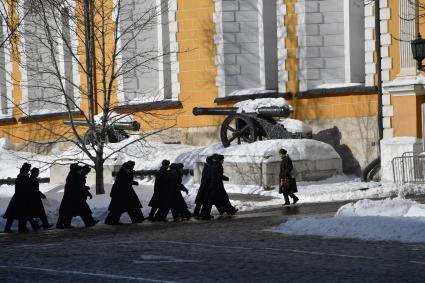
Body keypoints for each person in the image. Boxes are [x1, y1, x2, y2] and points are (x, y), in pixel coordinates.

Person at [3, 163, 40, 232]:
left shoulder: (23, 178)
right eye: (27, 171)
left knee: (21, 214)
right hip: (19, 199)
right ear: (23, 172)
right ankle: (18, 228)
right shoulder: (21, 179)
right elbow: (22, 190)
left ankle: (22, 228)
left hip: (20, 199)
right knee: (15, 214)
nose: (28, 172)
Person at [200, 154, 237, 219]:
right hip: (216, 186)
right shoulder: (216, 166)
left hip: (214, 186)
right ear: (219, 160)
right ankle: (205, 214)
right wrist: (222, 178)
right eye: (222, 160)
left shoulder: (211, 165)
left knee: (217, 200)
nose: (223, 161)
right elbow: (216, 176)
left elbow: (217, 175)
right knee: (219, 199)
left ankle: (228, 210)